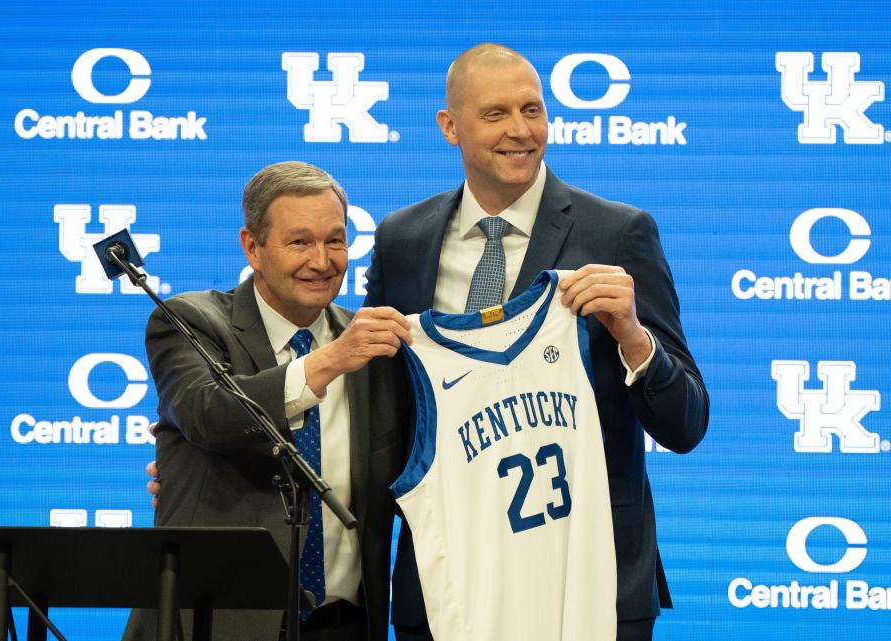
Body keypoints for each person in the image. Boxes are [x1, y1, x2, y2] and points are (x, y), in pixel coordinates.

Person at [363, 43, 709, 641]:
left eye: (532, 110)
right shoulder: (402, 239)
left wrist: (632, 336)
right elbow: (376, 405)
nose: (521, 131)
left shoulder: (618, 232)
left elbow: (687, 424)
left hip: (589, 580)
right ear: (449, 127)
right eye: (496, 114)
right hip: (448, 580)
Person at [124, 161, 411, 641]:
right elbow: (208, 415)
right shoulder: (190, 322)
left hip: (345, 626)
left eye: (335, 240)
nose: (321, 261)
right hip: (213, 625)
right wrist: (329, 361)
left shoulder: (377, 349)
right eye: (299, 242)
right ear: (252, 247)